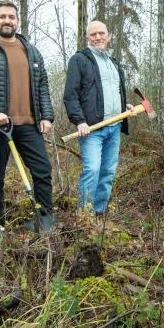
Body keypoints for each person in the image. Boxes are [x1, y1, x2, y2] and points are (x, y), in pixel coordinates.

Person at [0, 0, 55, 230]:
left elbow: (42, 85)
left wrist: (46, 116)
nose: (7, 20)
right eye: (2, 16)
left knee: (43, 170)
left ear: (17, 20)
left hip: (29, 124)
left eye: (11, 17)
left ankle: (44, 220)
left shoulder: (31, 51)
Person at [63, 21, 131, 216]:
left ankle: (100, 213)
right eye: (93, 34)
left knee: (108, 171)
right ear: (87, 38)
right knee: (92, 170)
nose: (98, 37)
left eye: (101, 33)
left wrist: (124, 106)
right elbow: (70, 95)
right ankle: (85, 215)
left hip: (114, 126)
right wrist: (79, 121)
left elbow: (113, 92)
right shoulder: (79, 60)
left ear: (109, 36)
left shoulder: (114, 63)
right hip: (91, 129)